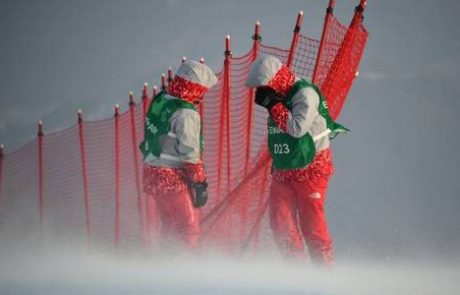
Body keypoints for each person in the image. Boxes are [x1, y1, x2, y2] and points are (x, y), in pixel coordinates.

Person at [246, 55, 348, 265]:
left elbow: (297, 128)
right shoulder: (279, 98)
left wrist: (273, 104)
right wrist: (273, 103)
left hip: (312, 168)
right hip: (285, 170)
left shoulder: (305, 94)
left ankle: (324, 272)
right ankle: (296, 270)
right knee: (279, 222)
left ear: (274, 80)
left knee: (312, 224)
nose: (261, 92)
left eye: (264, 87)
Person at [140, 59, 217, 250]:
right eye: (202, 91)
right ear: (195, 88)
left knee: (168, 225)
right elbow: (190, 153)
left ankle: (165, 263)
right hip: (171, 178)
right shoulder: (186, 113)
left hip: (152, 172)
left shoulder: (162, 100)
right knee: (188, 227)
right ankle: (185, 270)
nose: (202, 97)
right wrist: (199, 182)